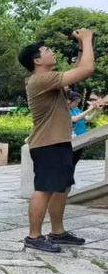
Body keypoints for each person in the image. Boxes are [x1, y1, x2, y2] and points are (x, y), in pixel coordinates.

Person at [18, 31, 94, 253]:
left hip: (58, 142)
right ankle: (34, 236)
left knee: (61, 188)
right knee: (44, 189)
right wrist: (87, 39)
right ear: (37, 61)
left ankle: (57, 232)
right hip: (47, 144)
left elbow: (77, 73)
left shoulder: (49, 79)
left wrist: (82, 46)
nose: (52, 52)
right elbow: (86, 69)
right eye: (47, 50)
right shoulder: (41, 80)